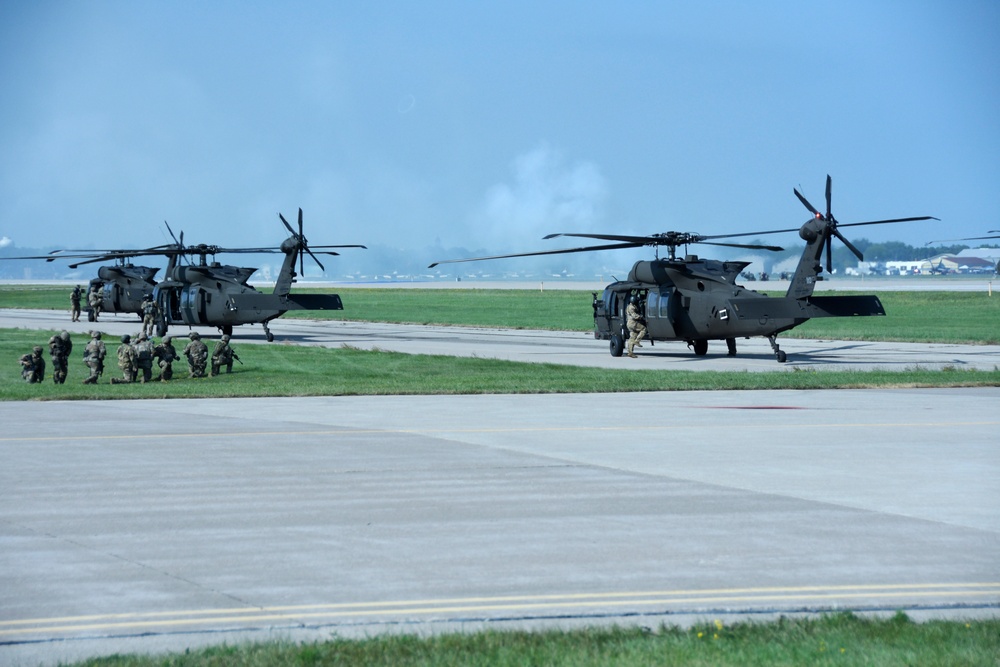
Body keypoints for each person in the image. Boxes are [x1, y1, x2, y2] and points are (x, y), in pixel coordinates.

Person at [625, 294, 647, 359]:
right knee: (644, 329)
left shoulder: (629, 306)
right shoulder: (632, 307)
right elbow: (634, 316)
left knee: (632, 337)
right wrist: (641, 317)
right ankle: (637, 341)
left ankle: (630, 352)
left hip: (630, 324)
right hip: (633, 323)